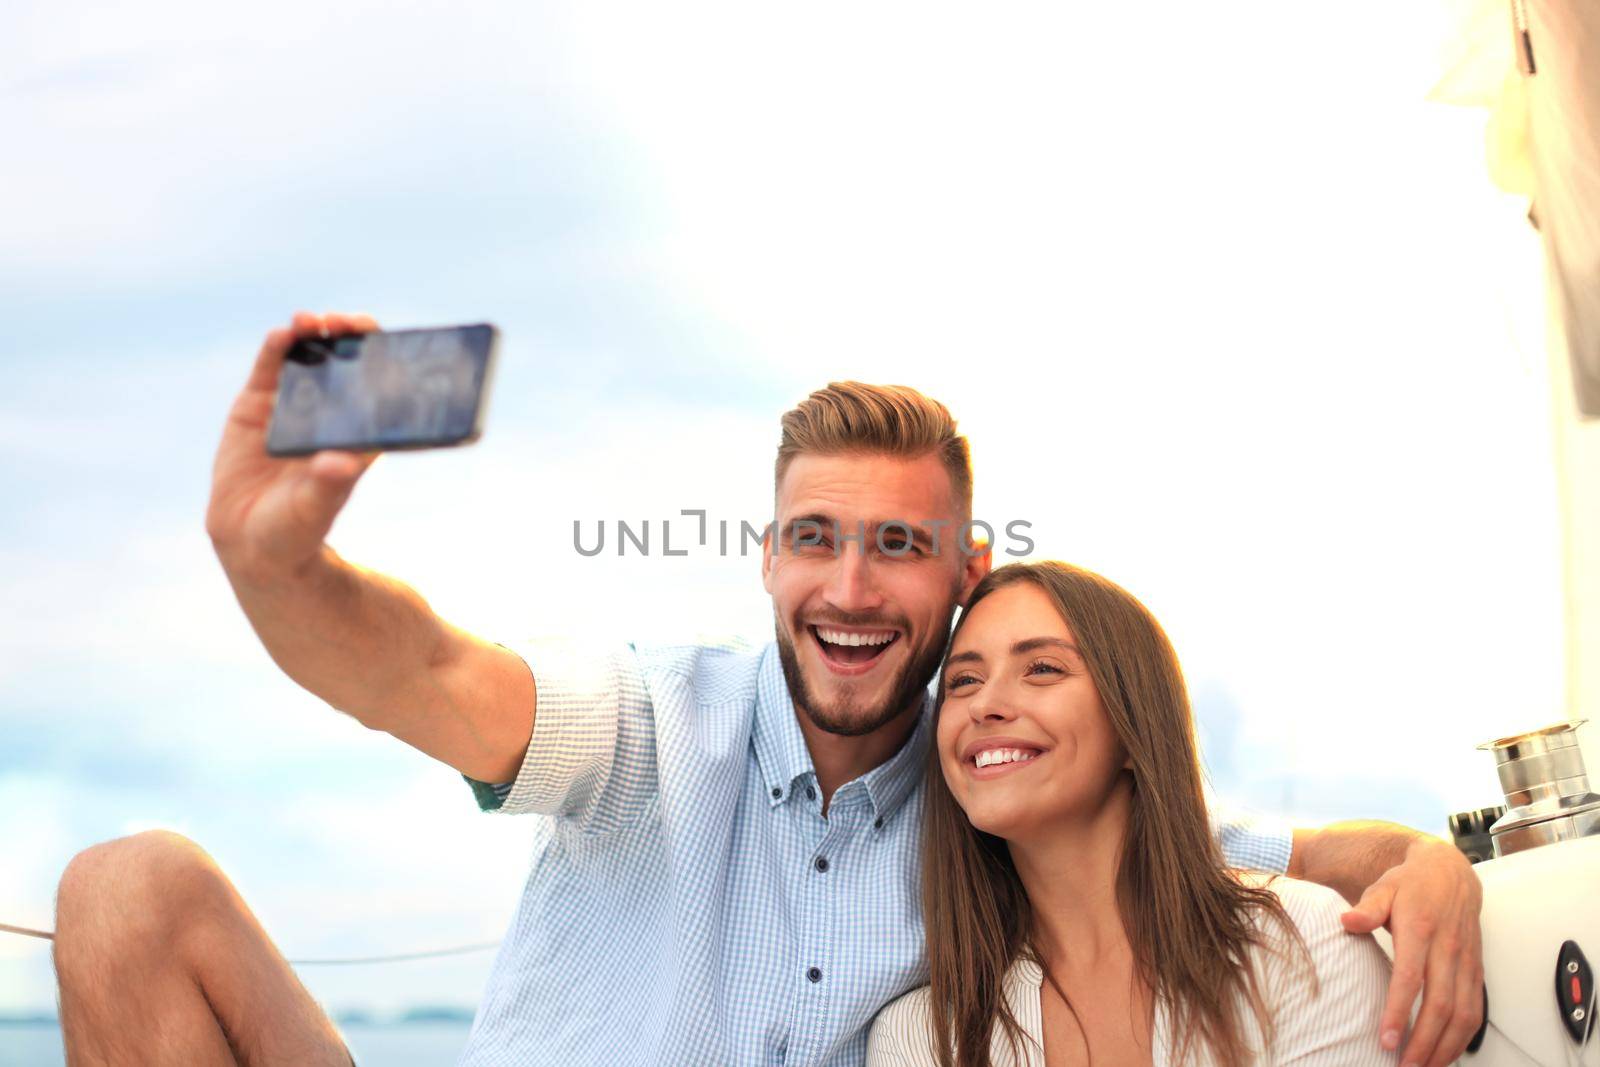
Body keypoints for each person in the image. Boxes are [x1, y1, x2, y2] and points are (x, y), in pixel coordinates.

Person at [50, 311, 1484, 1066]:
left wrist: (1428, 863)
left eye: (898, 547)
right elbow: (420, 667)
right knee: (126, 885)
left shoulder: (1001, 792)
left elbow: (1233, 842)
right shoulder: (641, 725)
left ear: (964, 566)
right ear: (765, 558)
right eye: (817, 539)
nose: (851, 588)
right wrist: (274, 558)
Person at [866, 562, 1397, 1066]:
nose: (986, 704)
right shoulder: (921, 1039)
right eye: (963, 681)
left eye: (1043, 669)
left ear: (1132, 727)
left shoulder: (1302, 944)